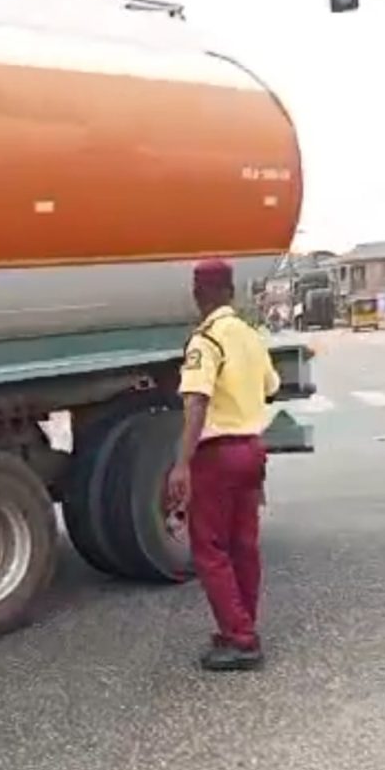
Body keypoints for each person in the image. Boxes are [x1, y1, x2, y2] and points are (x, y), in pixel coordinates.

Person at [168, 258, 280, 671]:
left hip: (218, 456)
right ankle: (243, 624)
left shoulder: (206, 340)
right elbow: (271, 387)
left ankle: (240, 638)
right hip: (252, 448)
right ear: (231, 291)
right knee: (243, 546)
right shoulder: (250, 337)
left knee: (210, 548)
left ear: (200, 294)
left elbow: (196, 401)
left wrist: (182, 465)